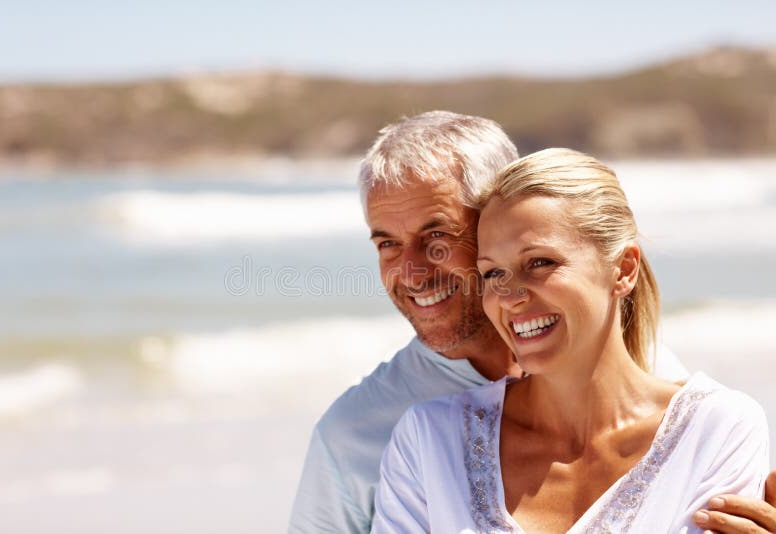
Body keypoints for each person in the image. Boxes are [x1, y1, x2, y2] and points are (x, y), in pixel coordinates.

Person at [288, 112, 690, 533]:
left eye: (437, 236)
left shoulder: (654, 374)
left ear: (497, 221)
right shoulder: (353, 435)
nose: (411, 272)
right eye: (388, 244)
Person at [372, 148, 771, 533]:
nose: (510, 296)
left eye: (540, 263)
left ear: (623, 270)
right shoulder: (430, 441)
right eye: (493, 273)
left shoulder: (717, 428)